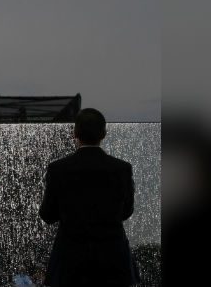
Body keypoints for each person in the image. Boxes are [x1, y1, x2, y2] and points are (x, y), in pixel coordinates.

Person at [39, 108, 139, 287]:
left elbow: (47, 214)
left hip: (70, 261)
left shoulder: (58, 169)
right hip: (113, 260)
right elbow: (126, 212)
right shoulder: (122, 169)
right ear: (104, 133)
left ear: (75, 133)